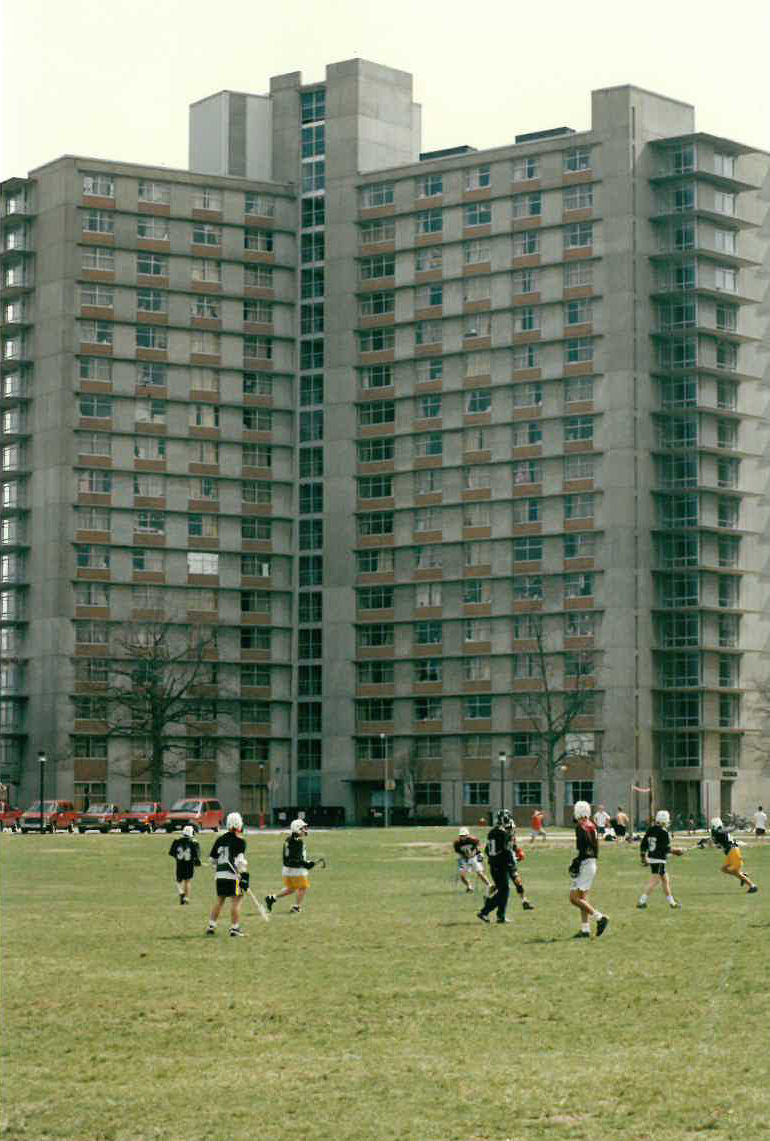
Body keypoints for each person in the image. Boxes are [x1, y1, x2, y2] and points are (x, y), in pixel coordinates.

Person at [569, 800, 609, 939]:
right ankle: (585, 929)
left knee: (574, 898)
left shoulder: (581, 826)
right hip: (591, 863)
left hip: (586, 863)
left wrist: (578, 861)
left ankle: (600, 918)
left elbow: (584, 847)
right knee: (582, 898)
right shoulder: (592, 825)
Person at [206, 812, 249, 937]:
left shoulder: (220, 839)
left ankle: (211, 925)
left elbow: (212, 859)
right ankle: (235, 928)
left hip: (220, 875)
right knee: (237, 900)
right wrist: (244, 875)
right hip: (233, 875)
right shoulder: (240, 841)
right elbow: (240, 861)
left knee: (220, 900)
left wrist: (217, 867)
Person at [265, 818, 315, 914]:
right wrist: (307, 864)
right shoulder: (297, 842)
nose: (305, 830)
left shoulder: (289, 839)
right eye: (303, 828)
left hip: (287, 870)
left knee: (291, 889)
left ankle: (272, 898)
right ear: (297, 829)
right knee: (303, 887)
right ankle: (296, 907)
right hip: (296, 870)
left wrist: (306, 863)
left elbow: (293, 858)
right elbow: (296, 859)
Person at [637, 810, 683, 910]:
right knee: (655, 881)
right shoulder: (664, 832)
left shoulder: (651, 829)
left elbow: (643, 844)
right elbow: (666, 848)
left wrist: (643, 856)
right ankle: (641, 901)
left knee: (665, 880)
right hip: (659, 860)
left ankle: (672, 903)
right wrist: (677, 851)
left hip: (653, 858)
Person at [477, 810, 516, 925]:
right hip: (501, 864)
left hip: (493, 864)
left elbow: (487, 850)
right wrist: (511, 863)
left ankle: (500, 916)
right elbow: (506, 849)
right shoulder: (503, 833)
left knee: (504, 890)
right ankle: (485, 911)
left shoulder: (492, 832)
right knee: (504, 890)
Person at [710, 817, 758, 893]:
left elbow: (723, 832)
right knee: (724, 869)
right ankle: (743, 875)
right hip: (729, 853)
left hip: (733, 851)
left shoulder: (720, 831)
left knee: (736, 871)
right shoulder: (718, 832)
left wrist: (735, 827)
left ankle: (752, 886)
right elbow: (716, 843)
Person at [168, 823, 201, 905]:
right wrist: (197, 862)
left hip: (179, 863)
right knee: (187, 881)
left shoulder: (177, 841)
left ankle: (181, 891)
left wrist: (177, 857)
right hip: (189, 864)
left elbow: (172, 853)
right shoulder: (194, 843)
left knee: (178, 881)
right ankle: (186, 897)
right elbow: (196, 855)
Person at [453, 827, 491, 894]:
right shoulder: (457, 843)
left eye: (464, 835)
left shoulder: (473, 840)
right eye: (461, 836)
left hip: (474, 857)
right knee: (462, 875)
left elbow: (478, 847)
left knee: (479, 872)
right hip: (464, 859)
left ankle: (489, 885)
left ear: (467, 835)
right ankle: (469, 886)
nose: (463, 837)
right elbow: (459, 852)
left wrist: (479, 854)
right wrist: (464, 858)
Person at [508, 820, 535, 911]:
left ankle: (524, 901)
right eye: (510, 828)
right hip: (503, 864)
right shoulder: (502, 836)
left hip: (511, 864)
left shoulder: (511, 837)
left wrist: (518, 852)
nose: (512, 830)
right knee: (499, 886)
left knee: (518, 883)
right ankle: (488, 897)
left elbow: (514, 847)